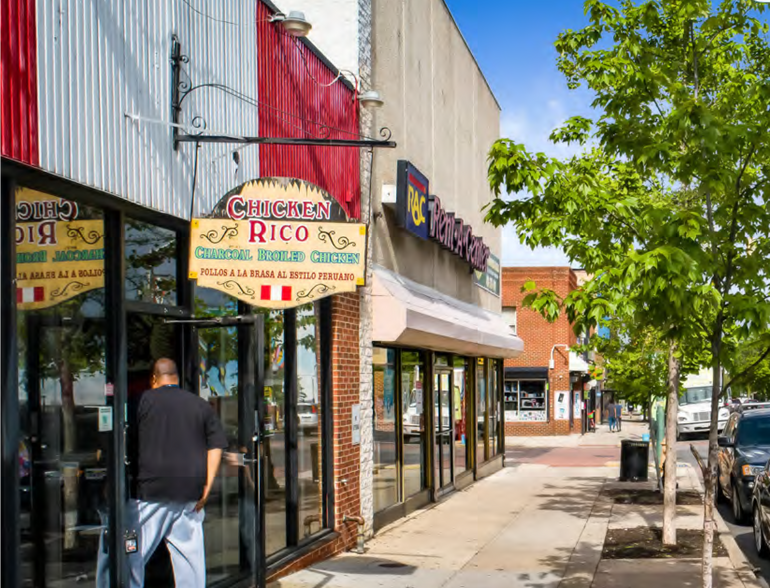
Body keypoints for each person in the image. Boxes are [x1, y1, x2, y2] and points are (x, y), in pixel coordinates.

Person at [128, 358, 228, 588]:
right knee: (190, 562)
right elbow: (216, 445)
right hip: (190, 492)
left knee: (132, 556)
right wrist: (207, 485)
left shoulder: (140, 402)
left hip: (149, 493)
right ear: (177, 379)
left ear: (154, 379)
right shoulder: (200, 405)